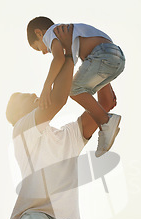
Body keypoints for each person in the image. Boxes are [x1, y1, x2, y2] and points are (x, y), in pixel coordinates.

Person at [6, 25, 104, 219]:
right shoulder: (22, 130)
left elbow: (105, 107)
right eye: (28, 97)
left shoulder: (67, 136)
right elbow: (59, 100)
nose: (35, 95)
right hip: (34, 218)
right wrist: (68, 53)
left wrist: (100, 68)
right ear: (19, 114)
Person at [27, 16, 125, 157]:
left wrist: (46, 87)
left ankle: (105, 121)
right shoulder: (71, 34)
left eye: (38, 47)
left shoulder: (53, 32)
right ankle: (105, 124)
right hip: (115, 57)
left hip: (102, 54)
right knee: (80, 87)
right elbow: (67, 64)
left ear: (38, 33)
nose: (43, 52)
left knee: (72, 89)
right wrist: (103, 80)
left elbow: (59, 59)